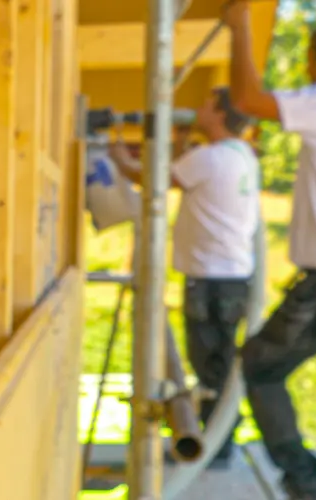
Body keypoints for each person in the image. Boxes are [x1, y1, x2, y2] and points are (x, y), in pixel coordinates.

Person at [108, 87, 260, 469]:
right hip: (230, 274)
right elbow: (180, 170)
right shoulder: (239, 154)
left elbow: (150, 179)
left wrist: (116, 155)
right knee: (219, 358)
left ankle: (213, 443)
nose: (197, 111)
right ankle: (220, 437)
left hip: (209, 276)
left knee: (208, 360)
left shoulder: (208, 158)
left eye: (206, 105)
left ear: (220, 114)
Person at [224, 1, 316, 497]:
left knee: (261, 367)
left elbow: (247, 98)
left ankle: (305, 482)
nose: (309, 72)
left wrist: (240, 24)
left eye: (311, 60)